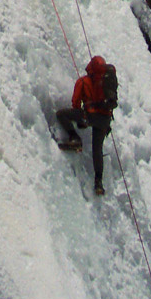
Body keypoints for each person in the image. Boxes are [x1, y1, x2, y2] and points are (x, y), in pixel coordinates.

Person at [56, 55, 114, 195]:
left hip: (89, 117)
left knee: (61, 114)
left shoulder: (83, 81)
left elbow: (75, 104)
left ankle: (75, 138)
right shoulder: (107, 83)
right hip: (105, 121)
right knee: (97, 150)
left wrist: (80, 120)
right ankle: (98, 183)